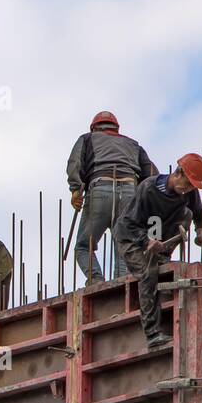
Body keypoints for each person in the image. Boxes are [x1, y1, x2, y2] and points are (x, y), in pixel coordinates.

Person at [113, 153, 202, 349]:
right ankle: (152, 333)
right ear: (178, 173)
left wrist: (201, 235)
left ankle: (162, 256)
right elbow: (129, 224)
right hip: (131, 237)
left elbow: (199, 213)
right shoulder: (148, 189)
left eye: (193, 186)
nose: (189, 189)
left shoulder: (189, 193)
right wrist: (147, 241)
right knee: (148, 272)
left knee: (186, 213)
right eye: (188, 183)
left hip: (157, 237)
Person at [66, 111, 158, 284]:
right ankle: (120, 285)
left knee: (83, 246)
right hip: (130, 193)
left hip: (101, 189)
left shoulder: (87, 139)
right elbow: (152, 175)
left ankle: (96, 281)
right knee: (123, 244)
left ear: (94, 128)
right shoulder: (133, 145)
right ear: (116, 128)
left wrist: (76, 190)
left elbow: (75, 163)